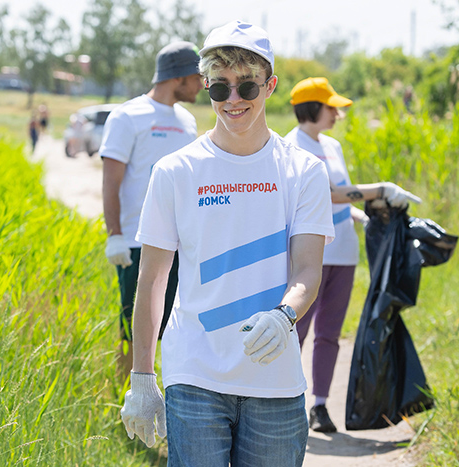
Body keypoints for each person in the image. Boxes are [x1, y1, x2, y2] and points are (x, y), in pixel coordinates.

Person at [120, 21, 335, 466]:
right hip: (194, 373)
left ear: (270, 85)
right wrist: (142, 377)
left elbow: (308, 270)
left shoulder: (304, 171)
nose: (233, 101)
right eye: (220, 89)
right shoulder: (176, 172)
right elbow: (153, 280)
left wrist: (284, 315)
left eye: (247, 87)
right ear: (206, 88)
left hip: (274, 381)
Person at [284, 76, 422, 433]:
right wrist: (380, 190)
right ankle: (286, 401)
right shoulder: (291, 146)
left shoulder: (331, 146)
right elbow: (329, 193)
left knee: (329, 333)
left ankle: (319, 405)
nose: (337, 114)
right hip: (309, 253)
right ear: (313, 107)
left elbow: (343, 200)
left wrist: (365, 214)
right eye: (331, 107)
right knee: (297, 332)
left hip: (343, 251)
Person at [100, 41, 203, 378]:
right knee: (133, 328)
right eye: (197, 77)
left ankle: (165, 397)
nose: (203, 84)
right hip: (136, 240)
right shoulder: (128, 116)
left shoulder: (187, 121)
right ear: (179, 77)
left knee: (173, 326)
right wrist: (114, 235)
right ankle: (126, 405)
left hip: (181, 243)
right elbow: (111, 181)